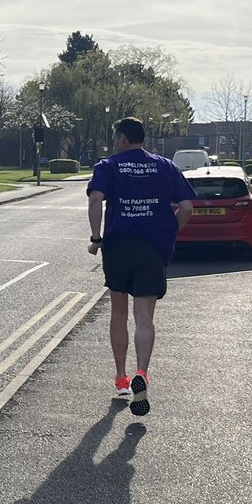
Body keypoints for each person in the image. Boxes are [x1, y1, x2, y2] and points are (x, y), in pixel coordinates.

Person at [86, 118, 195, 416]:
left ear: (121, 138)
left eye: (114, 137)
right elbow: (186, 207)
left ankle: (121, 378)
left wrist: (96, 237)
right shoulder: (165, 166)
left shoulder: (107, 166)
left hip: (118, 246)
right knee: (144, 315)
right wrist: (168, 232)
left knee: (118, 312)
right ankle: (142, 373)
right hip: (152, 247)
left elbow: (96, 199)